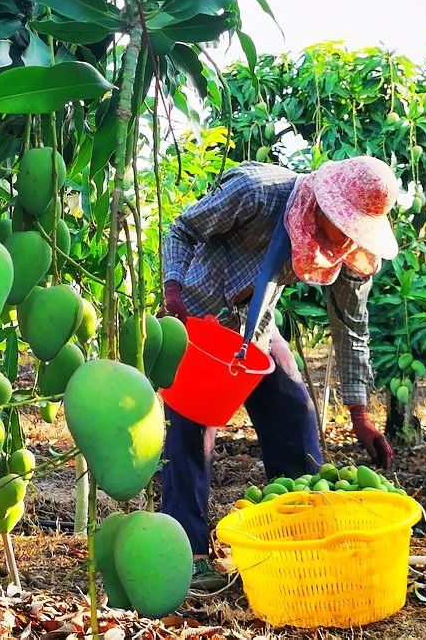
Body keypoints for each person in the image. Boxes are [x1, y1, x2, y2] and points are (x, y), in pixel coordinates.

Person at [160, 156, 398, 589]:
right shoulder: (255, 193)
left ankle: (301, 532)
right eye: (343, 225)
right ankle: (188, 550)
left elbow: (352, 327)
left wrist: (360, 415)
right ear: (321, 205)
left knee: (292, 409)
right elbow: (183, 230)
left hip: (255, 324)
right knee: (194, 424)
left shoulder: (350, 252)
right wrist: (172, 290)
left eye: (356, 231)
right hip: (196, 315)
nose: (346, 239)